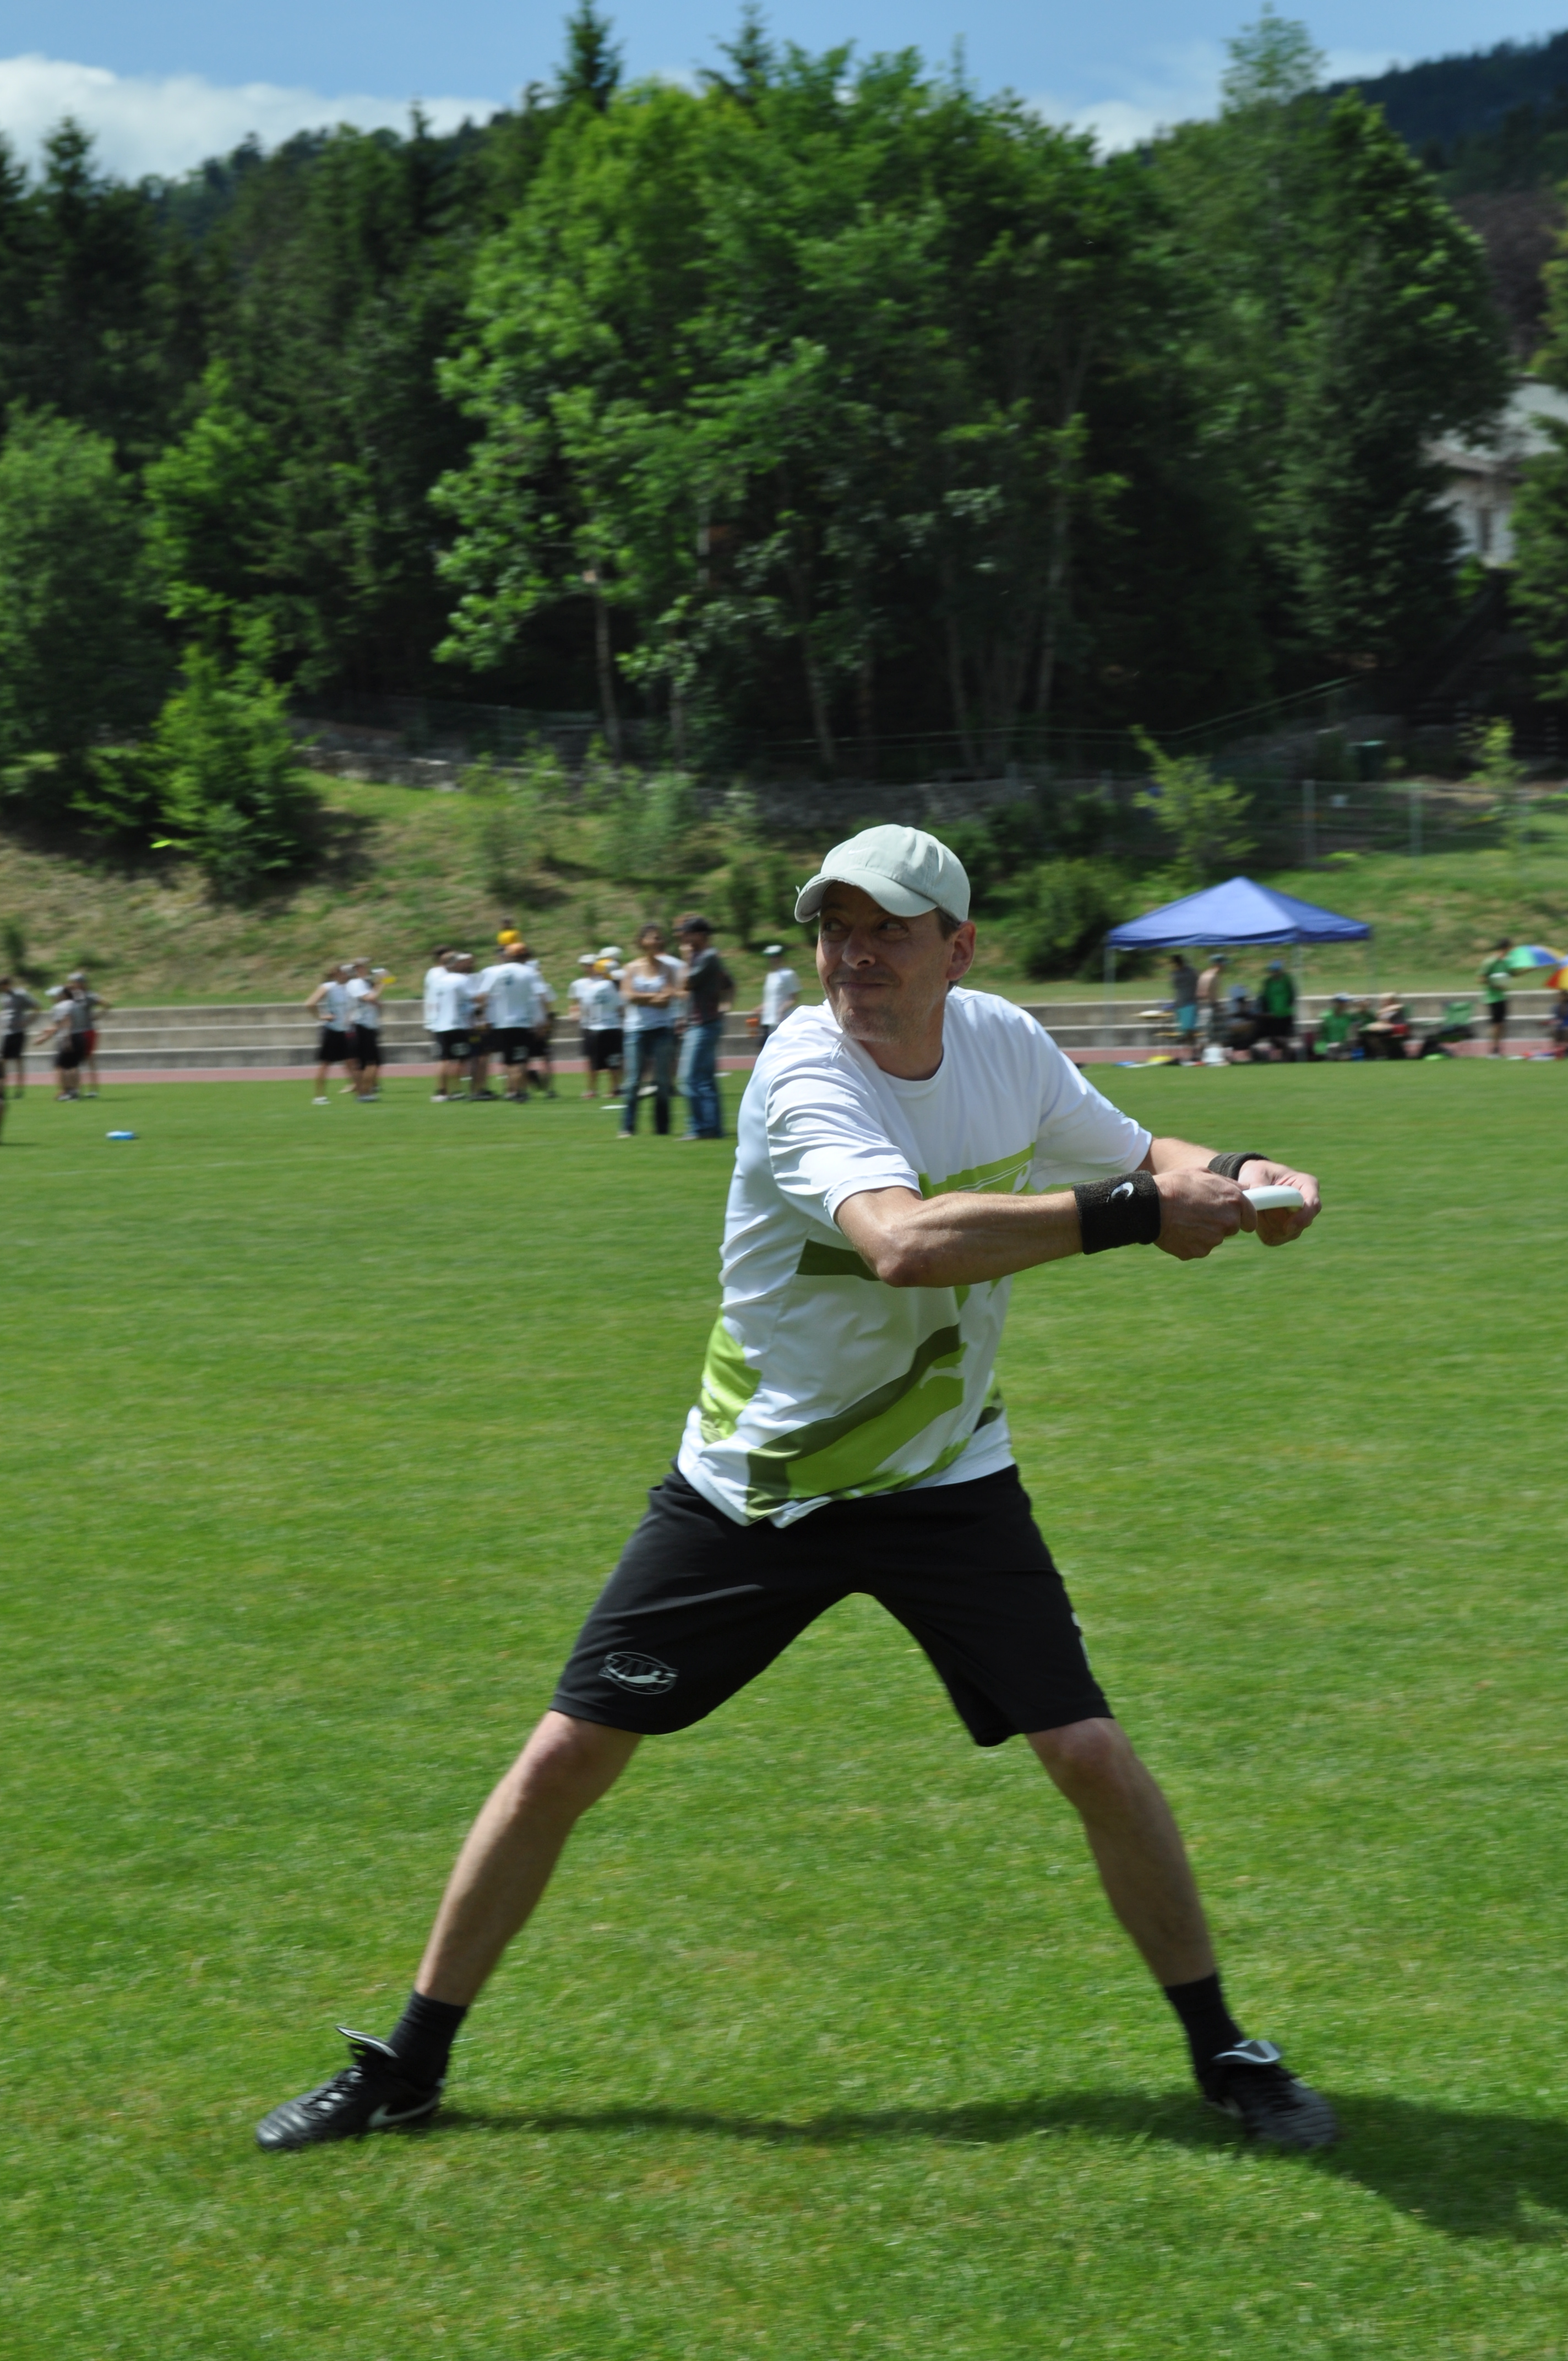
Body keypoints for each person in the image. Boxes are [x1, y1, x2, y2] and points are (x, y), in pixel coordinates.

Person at [256, 821, 1336, 2159]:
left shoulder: (1001, 1042)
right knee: (564, 1756)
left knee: (1088, 1753)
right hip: (756, 1486)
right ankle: (409, 2061)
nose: (852, 954)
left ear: (957, 947)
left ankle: (1222, 2049)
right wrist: (1132, 1213)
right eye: (833, 926)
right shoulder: (801, 1064)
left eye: (886, 929)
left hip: (944, 1477)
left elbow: (1137, 1148)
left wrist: (1236, 1177)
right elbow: (903, 1243)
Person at [618, 923, 682, 1136]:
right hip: (636, 1030)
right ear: (642, 941)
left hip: (662, 1029)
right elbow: (629, 996)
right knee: (633, 1080)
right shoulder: (631, 968)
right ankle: (627, 1127)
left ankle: (662, 1128)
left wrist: (642, 998)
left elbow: (667, 1000)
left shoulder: (667, 969)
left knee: (663, 1081)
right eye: (653, 937)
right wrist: (653, 997)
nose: (657, 941)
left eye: (659, 938)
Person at [676, 914, 734, 1141]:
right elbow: (728, 983)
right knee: (706, 1079)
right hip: (703, 1023)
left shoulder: (707, 957)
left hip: (703, 1024)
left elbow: (687, 983)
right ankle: (713, 1128)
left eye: (688, 934)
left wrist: (686, 959)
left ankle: (699, 1128)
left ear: (700, 935)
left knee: (690, 1077)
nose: (684, 938)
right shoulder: (706, 957)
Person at [477, 942, 539, 1102]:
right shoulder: (529, 972)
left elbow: (482, 996)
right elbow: (539, 996)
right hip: (522, 1022)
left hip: (501, 1023)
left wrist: (483, 1017)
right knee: (521, 1058)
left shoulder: (495, 972)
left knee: (509, 1060)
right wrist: (541, 1020)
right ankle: (519, 1091)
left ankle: (513, 1091)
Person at [575, 952, 624, 1103]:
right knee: (614, 1061)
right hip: (614, 1027)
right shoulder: (617, 987)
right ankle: (615, 1088)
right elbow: (621, 1007)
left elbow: (585, 1008)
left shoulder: (591, 987)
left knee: (593, 1062)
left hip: (595, 1027)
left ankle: (592, 1090)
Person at [305, 964, 357, 1103]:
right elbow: (310, 1003)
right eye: (343, 973)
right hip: (332, 1031)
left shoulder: (349, 988)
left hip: (345, 1030)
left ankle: (360, 1093)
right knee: (326, 1064)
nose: (346, 975)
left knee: (351, 1061)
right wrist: (321, 1017)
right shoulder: (328, 987)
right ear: (336, 975)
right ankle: (319, 1097)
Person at [426, 954, 471, 1103]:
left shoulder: (438, 981)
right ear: (455, 964)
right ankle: (456, 1090)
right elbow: (473, 997)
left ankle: (442, 1092)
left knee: (443, 1059)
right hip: (457, 1024)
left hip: (440, 1025)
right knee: (459, 1059)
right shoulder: (461, 979)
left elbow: (434, 1004)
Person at [37, 984, 86, 1099]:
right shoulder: (76, 1005)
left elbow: (66, 1021)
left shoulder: (61, 1007)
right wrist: (47, 1035)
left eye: (54, 996)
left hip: (67, 1037)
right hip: (79, 1036)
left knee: (62, 1066)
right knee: (73, 1066)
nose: (52, 999)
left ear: (62, 995)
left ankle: (67, 1092)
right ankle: (74, 1092)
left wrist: (67, 1040)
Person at [345, 961, 385, 1100]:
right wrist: (383, 982)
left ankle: (365, 1093)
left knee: (368, 1063)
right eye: (363, 967)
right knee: (370, 1063)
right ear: (358, 969)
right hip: (362, 1025)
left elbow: (374, 1001)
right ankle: (364, 1093)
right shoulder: (355, 983)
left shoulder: (364, 983)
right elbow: (370, 997)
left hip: (368, 1025)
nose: (367, 969)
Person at [72, 970, 111, 1097]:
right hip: (76, 1031)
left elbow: (106, 1005)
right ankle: (78, 1089)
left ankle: (93, 1089)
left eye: (76, 982)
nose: (74, 984)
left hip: (87, 1031)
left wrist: (97, 1017)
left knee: (89, 1060)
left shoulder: (89, 996)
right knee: (76, 1061)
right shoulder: (73, 997)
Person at [754, 944, 799, 1049]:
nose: (772, 960)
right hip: (768, 1020)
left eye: (775, 957)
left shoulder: (788, 974)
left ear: (781, 958)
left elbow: (794, 997)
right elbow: (771, 999)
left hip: (782, 1020)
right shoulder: (770, 976)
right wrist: (761, 1007)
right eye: (770, 957)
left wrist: (782, 1009)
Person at [1, 972, 37, 1098]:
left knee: (18, 1060)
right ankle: (3, 1088)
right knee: (3, 1060)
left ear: (7, 985)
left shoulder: (20, 995)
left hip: (18, 1032)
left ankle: (19, 1090)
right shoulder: (4, 997)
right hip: (8, 1032)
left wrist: (28, 1021)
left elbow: (36, 1007)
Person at [1254, 960, 1297, 1054]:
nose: (1274, 973)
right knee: (1274, 1039)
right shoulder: (1268, 982)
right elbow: (1264, 998)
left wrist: (1288, 1008)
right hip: (1273, 1015)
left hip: (1285, 1014)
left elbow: (1293, 995)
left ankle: (1288, 1054)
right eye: (1273, 971)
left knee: (1283, 1037)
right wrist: (1266, 1011)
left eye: (1277, 971)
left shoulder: (1287, 980)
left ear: (1281, 971)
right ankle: (1284, 1053)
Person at [423, 946, 452, 1075]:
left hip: (440, 1018)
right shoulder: (437, 973)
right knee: (444, 1057)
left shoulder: (437, 973)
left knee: (446, 1056)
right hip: (440, 1019)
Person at [1481, 940, 1511, 1058]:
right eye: (1510, 948)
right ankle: (1493, 1049)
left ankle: (1498, 1048)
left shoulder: (1506, 962)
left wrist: (1530, 969)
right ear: (1506, 948)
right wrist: (1496, 985)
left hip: (1502, 997)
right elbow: (1481, 979)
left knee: (1501, 1024)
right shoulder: (1490, 962)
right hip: (1492, 998)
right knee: (1496, 1024)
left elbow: (1513, 974)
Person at [1168, 955, 1199, 1058]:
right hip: (1181, 1004)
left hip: (1189, 1003)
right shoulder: (1179, 973)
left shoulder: (1188, 973)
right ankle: (1191, 1052)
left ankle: (1193, 1052)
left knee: (1189, 1029)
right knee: (1186, 1031)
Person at [1195, 953, 1228, 1048]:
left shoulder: (1210, 975)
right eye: (1223, 964)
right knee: (1206, 1034)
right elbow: (1203, 993)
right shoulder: (1211, 976)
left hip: (1209, 1006)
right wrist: (1216, 1004)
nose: (1225, 966)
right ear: (1218, 964)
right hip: (1208, 1007)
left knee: (1211, 1034)